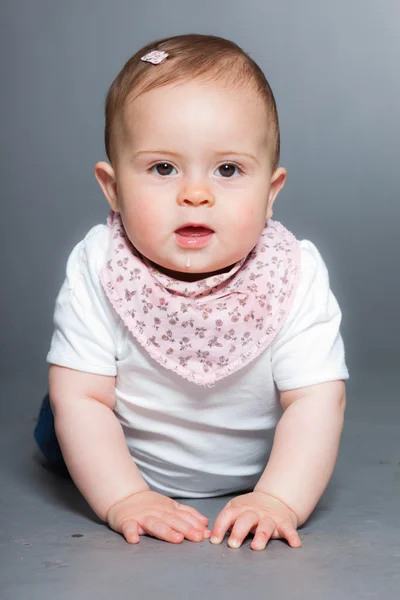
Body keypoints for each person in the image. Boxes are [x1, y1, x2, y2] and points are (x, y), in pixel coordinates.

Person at [34, 33, 349, 552]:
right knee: (67, 404)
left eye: (228, 170)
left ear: (271, 193)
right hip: (127, 452)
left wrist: (277, 498)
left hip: (252, 464)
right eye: (163, 168)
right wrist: (125, 497)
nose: (195, 194)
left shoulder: (293, 273)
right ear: (113, 189)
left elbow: (316, 399)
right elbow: (84, 398)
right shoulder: (98, 264)